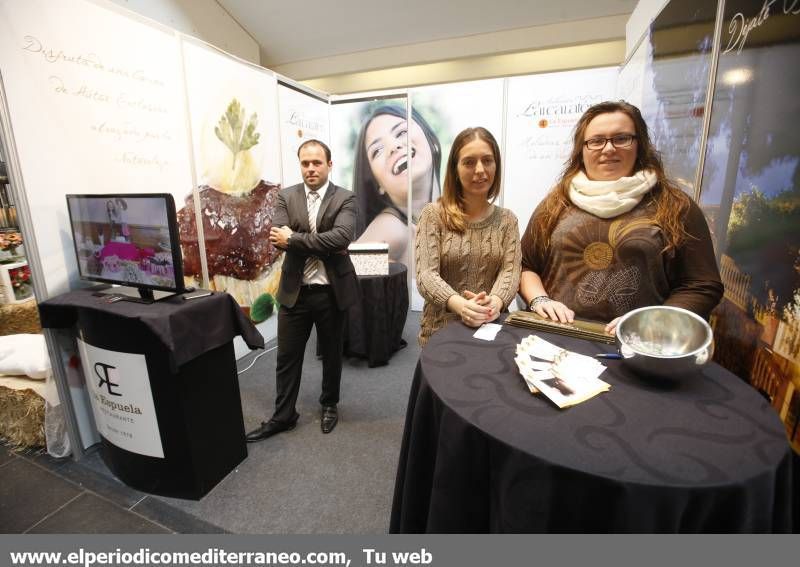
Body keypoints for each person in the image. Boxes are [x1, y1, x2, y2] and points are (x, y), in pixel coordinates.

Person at [519, 101, 723, 333]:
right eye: (596, 141)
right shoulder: (555, 203)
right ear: (581, 150)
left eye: (621, 138)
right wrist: (539, 300)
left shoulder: (676, 207)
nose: (608, 149)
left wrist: (653, 321)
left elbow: (702, 285)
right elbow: (525, 264)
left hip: (634, 348)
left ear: (640, 146)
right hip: (556, 337)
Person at [246, 140, 359, 441]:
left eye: (317, 163)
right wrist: (318, 241)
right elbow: (276, 237)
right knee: (286, 357)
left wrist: (294, 239)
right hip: (295, 291)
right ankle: (283, 416)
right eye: (305, 163)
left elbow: (342, 237)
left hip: (330, 291)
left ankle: (329, 404)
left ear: (329, 165)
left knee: (332, 353)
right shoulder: (286, 196)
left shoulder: (345, 198)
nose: (310, 168)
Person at [415, 127, 521, 346]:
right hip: (441, 332)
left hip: (492, 328)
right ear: (455, 168)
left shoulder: (508, 220)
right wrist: (460, 305)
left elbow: (510, 271)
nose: (480, 170)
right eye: (469, 162)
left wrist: (496, 302)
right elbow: (426, 275)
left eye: (487, 160)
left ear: (496, 165)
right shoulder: (433, 215)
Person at [353, 105, 441, 265]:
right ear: (377, 183)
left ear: (432, 141)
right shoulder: (392, 228)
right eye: (377, 150)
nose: (393, 146)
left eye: (401, 133)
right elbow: (343, 275)